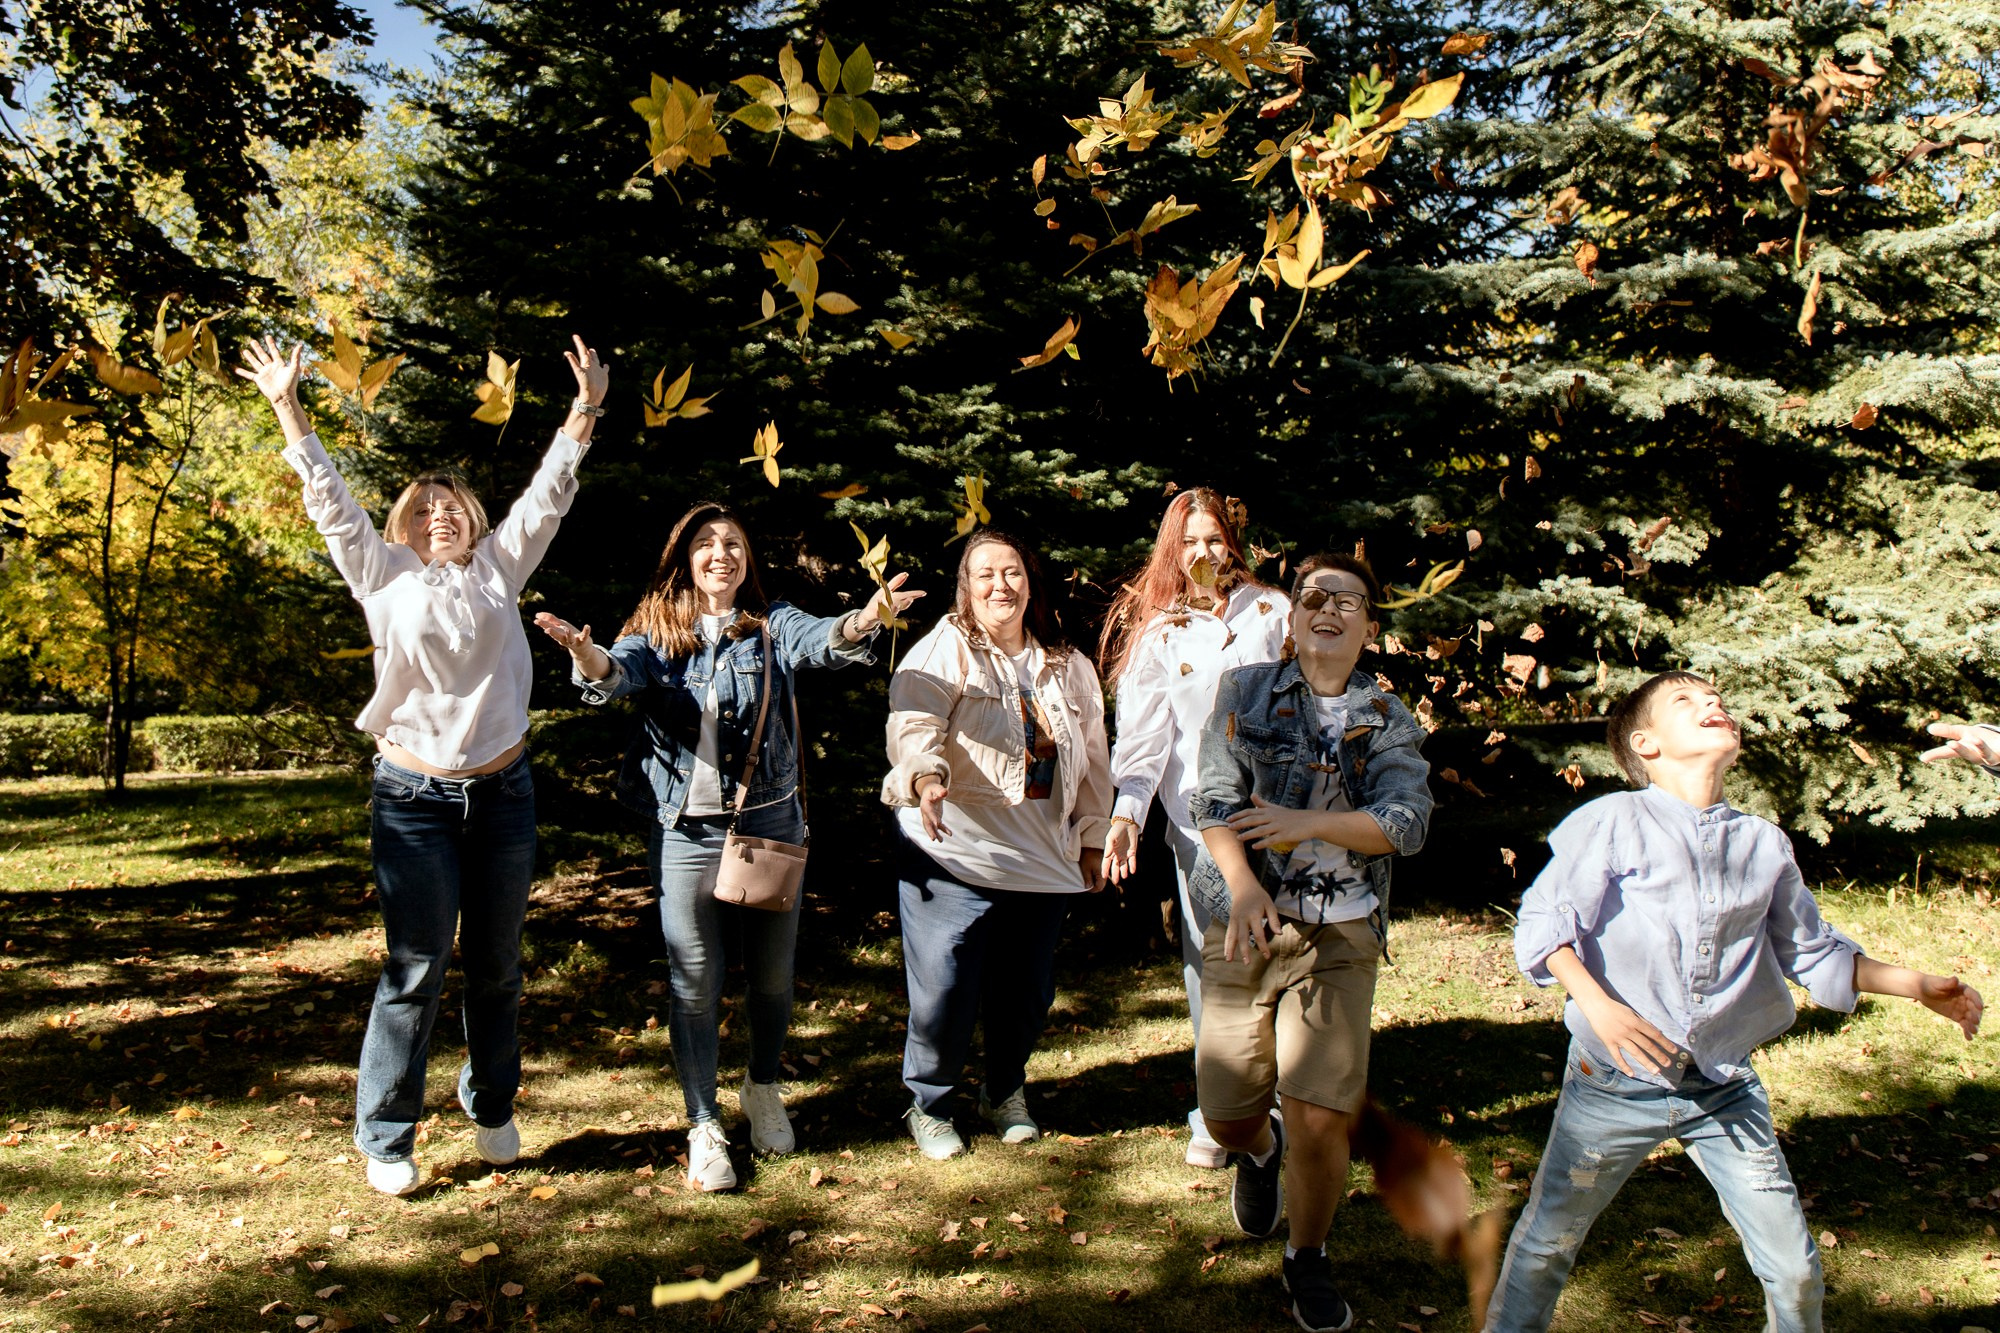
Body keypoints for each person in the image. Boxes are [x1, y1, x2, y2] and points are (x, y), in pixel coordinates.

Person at [1487, 671, 1986, 1333]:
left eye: (1715, 697)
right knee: (1548, 1244)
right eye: (1686, 701)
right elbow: (1545, 923)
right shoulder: (1613, 821)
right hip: (1610, 1084)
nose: (1712, 703)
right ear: (1647, 743)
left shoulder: (1763, 843)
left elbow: (1813, 951)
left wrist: (1920, 987)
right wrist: (1598, 1005)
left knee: (1795, 1268)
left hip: (1724, 1088)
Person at [237, 333, 609, 1197]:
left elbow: (548, 496)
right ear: (405, 522)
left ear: (473, 521)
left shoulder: (498, 571)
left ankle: (491, 1102)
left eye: (454, 506)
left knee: (499, 964)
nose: (441, 515)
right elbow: (329, 501)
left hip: (504, 793)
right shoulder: (381, 573)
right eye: (425, 507)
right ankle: (387, 1133)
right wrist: (289, 406)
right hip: (413, 798)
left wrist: (584, 408)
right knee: (414, 965)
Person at [536, 502, 921, 1192]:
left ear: (747, 559)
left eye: (733, 543)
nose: (721, 553)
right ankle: (704, 1122)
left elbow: (826, 639)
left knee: (771, 980)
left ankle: (762, 1086)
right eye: (707, 543)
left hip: (768, 823)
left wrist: (867, 618)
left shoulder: (773, 626)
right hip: (685, 830)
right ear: (685, 556)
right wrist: (582, 652)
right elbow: (614, 671)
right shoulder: (656, 631)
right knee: (694, 981)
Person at [1185, 552, 1433, 1333]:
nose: (1327, 608)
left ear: (1368, 626)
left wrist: (1309, 824)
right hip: (1246, 923)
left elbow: (1406, 823)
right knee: (1225, 1112)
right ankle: (1259, 1152)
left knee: (1321, 1112)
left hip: (1343, 932)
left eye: (1347, 600)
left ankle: (1308, 1256)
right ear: (1292, 619)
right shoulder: (1246, 690)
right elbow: (1215, 798)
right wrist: (1249, 883)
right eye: (1313, 597)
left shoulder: (1389, 716)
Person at [882, 530, 1112, 1160]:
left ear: (1029, 583)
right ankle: (929, 1104)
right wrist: (926, 778)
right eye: (984, 574)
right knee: (945, 988)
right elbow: (913, 723)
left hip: (1042, 862)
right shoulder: (945, 649)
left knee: (1026, 994)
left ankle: (1004, 1091)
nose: (999, 586)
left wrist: (1092, 840)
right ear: (966, 586)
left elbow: (1093, 763)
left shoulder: (1068, 664)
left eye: (1011, 572)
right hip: (952, 851)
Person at [1097, 488, 1290, 1168]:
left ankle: (1279, 1100)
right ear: (1173, 551)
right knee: (1213, 963)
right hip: (1197, 824)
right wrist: (1127, 811)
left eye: (1215, 539)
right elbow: (1145, 737)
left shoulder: (1273, 612)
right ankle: (1221, 1107)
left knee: (1279, 957)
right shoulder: (1161, 631)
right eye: (1191, 542)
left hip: (1278, 819)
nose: (1204, 552)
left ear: (1233, 544)